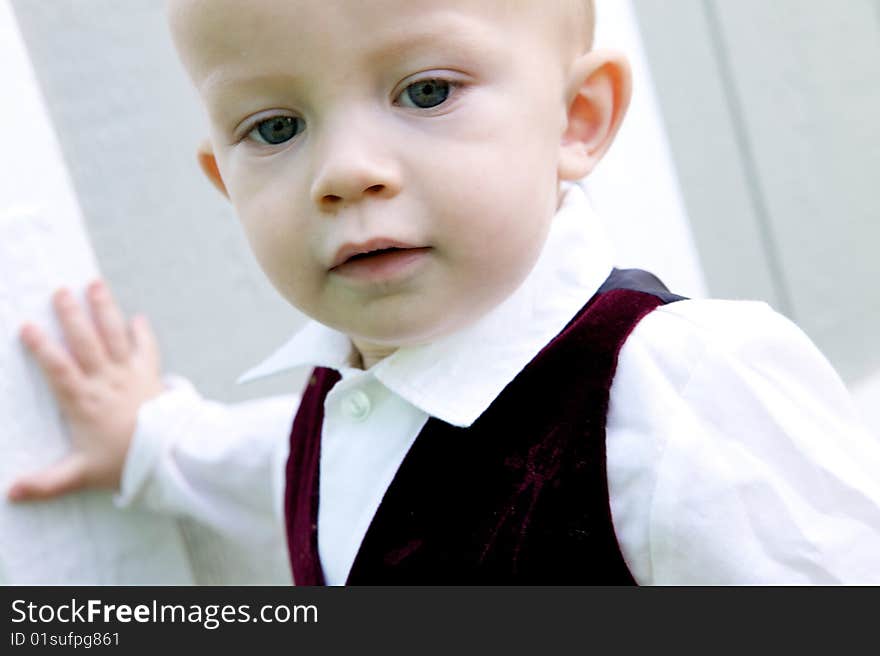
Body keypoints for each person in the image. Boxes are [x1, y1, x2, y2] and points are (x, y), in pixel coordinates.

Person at [7, 0, 880, 584]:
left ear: (578, 119)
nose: (345, 171)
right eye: (275, 127)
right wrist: (149, 443)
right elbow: (312, 468)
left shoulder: (681, 388)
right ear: (221, 177)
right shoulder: (352, 397)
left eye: (426, 92)